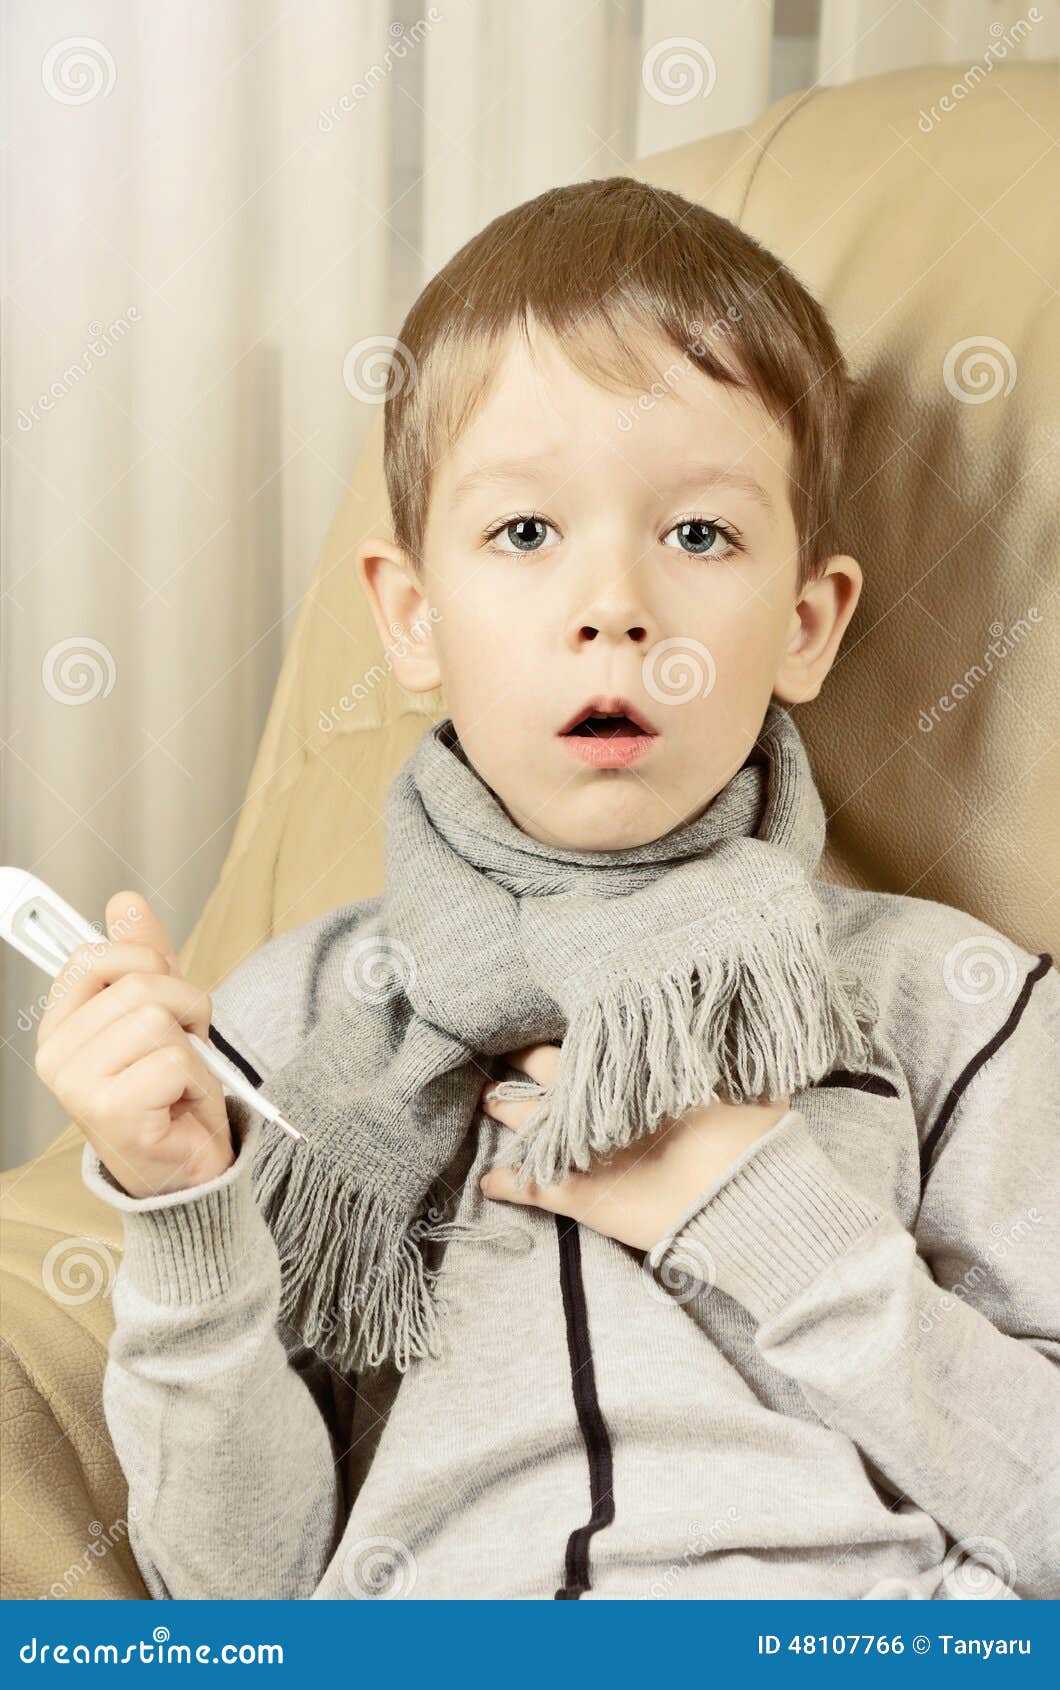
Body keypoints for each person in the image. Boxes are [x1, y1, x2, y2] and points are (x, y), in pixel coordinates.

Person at [37, 178, 1059, 1601]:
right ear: (411, 614)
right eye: (525, 534)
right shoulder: (295, 1020)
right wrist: (184, 1209)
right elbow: (235, 1600)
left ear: (807, 624)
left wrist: (766, 1210)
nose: (614, 605)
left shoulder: (955, 1003)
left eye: (699, 535)